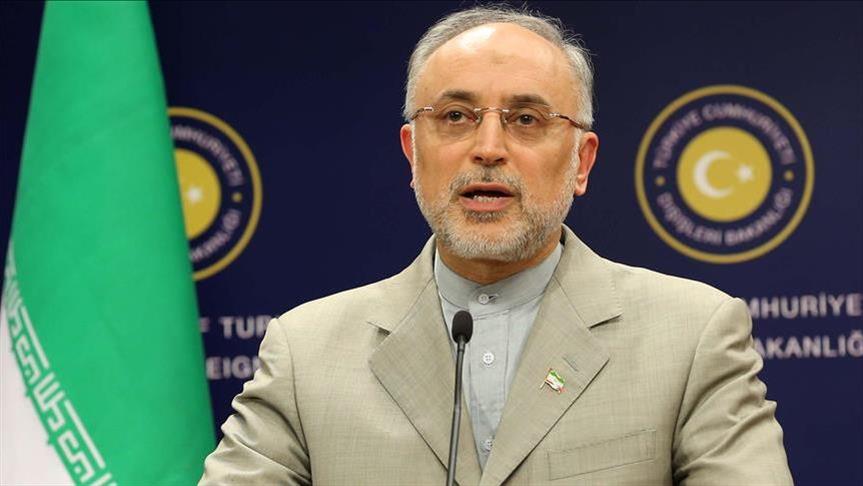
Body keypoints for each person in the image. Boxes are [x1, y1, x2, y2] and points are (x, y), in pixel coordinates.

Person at [200, 6, 793, 485]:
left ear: (582, 162)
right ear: (412, 153)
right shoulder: (306, 354)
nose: (487, 148)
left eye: (526, 119)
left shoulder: (691, 337)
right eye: (456, 116)